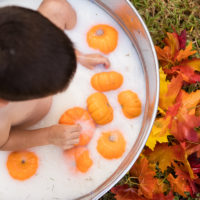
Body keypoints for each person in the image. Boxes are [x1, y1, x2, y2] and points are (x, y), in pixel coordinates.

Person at [0, 0, 110, 151]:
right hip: (30, 118)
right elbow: (4, 143)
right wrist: (48, 135)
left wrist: (76, 55)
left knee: (56, 7)